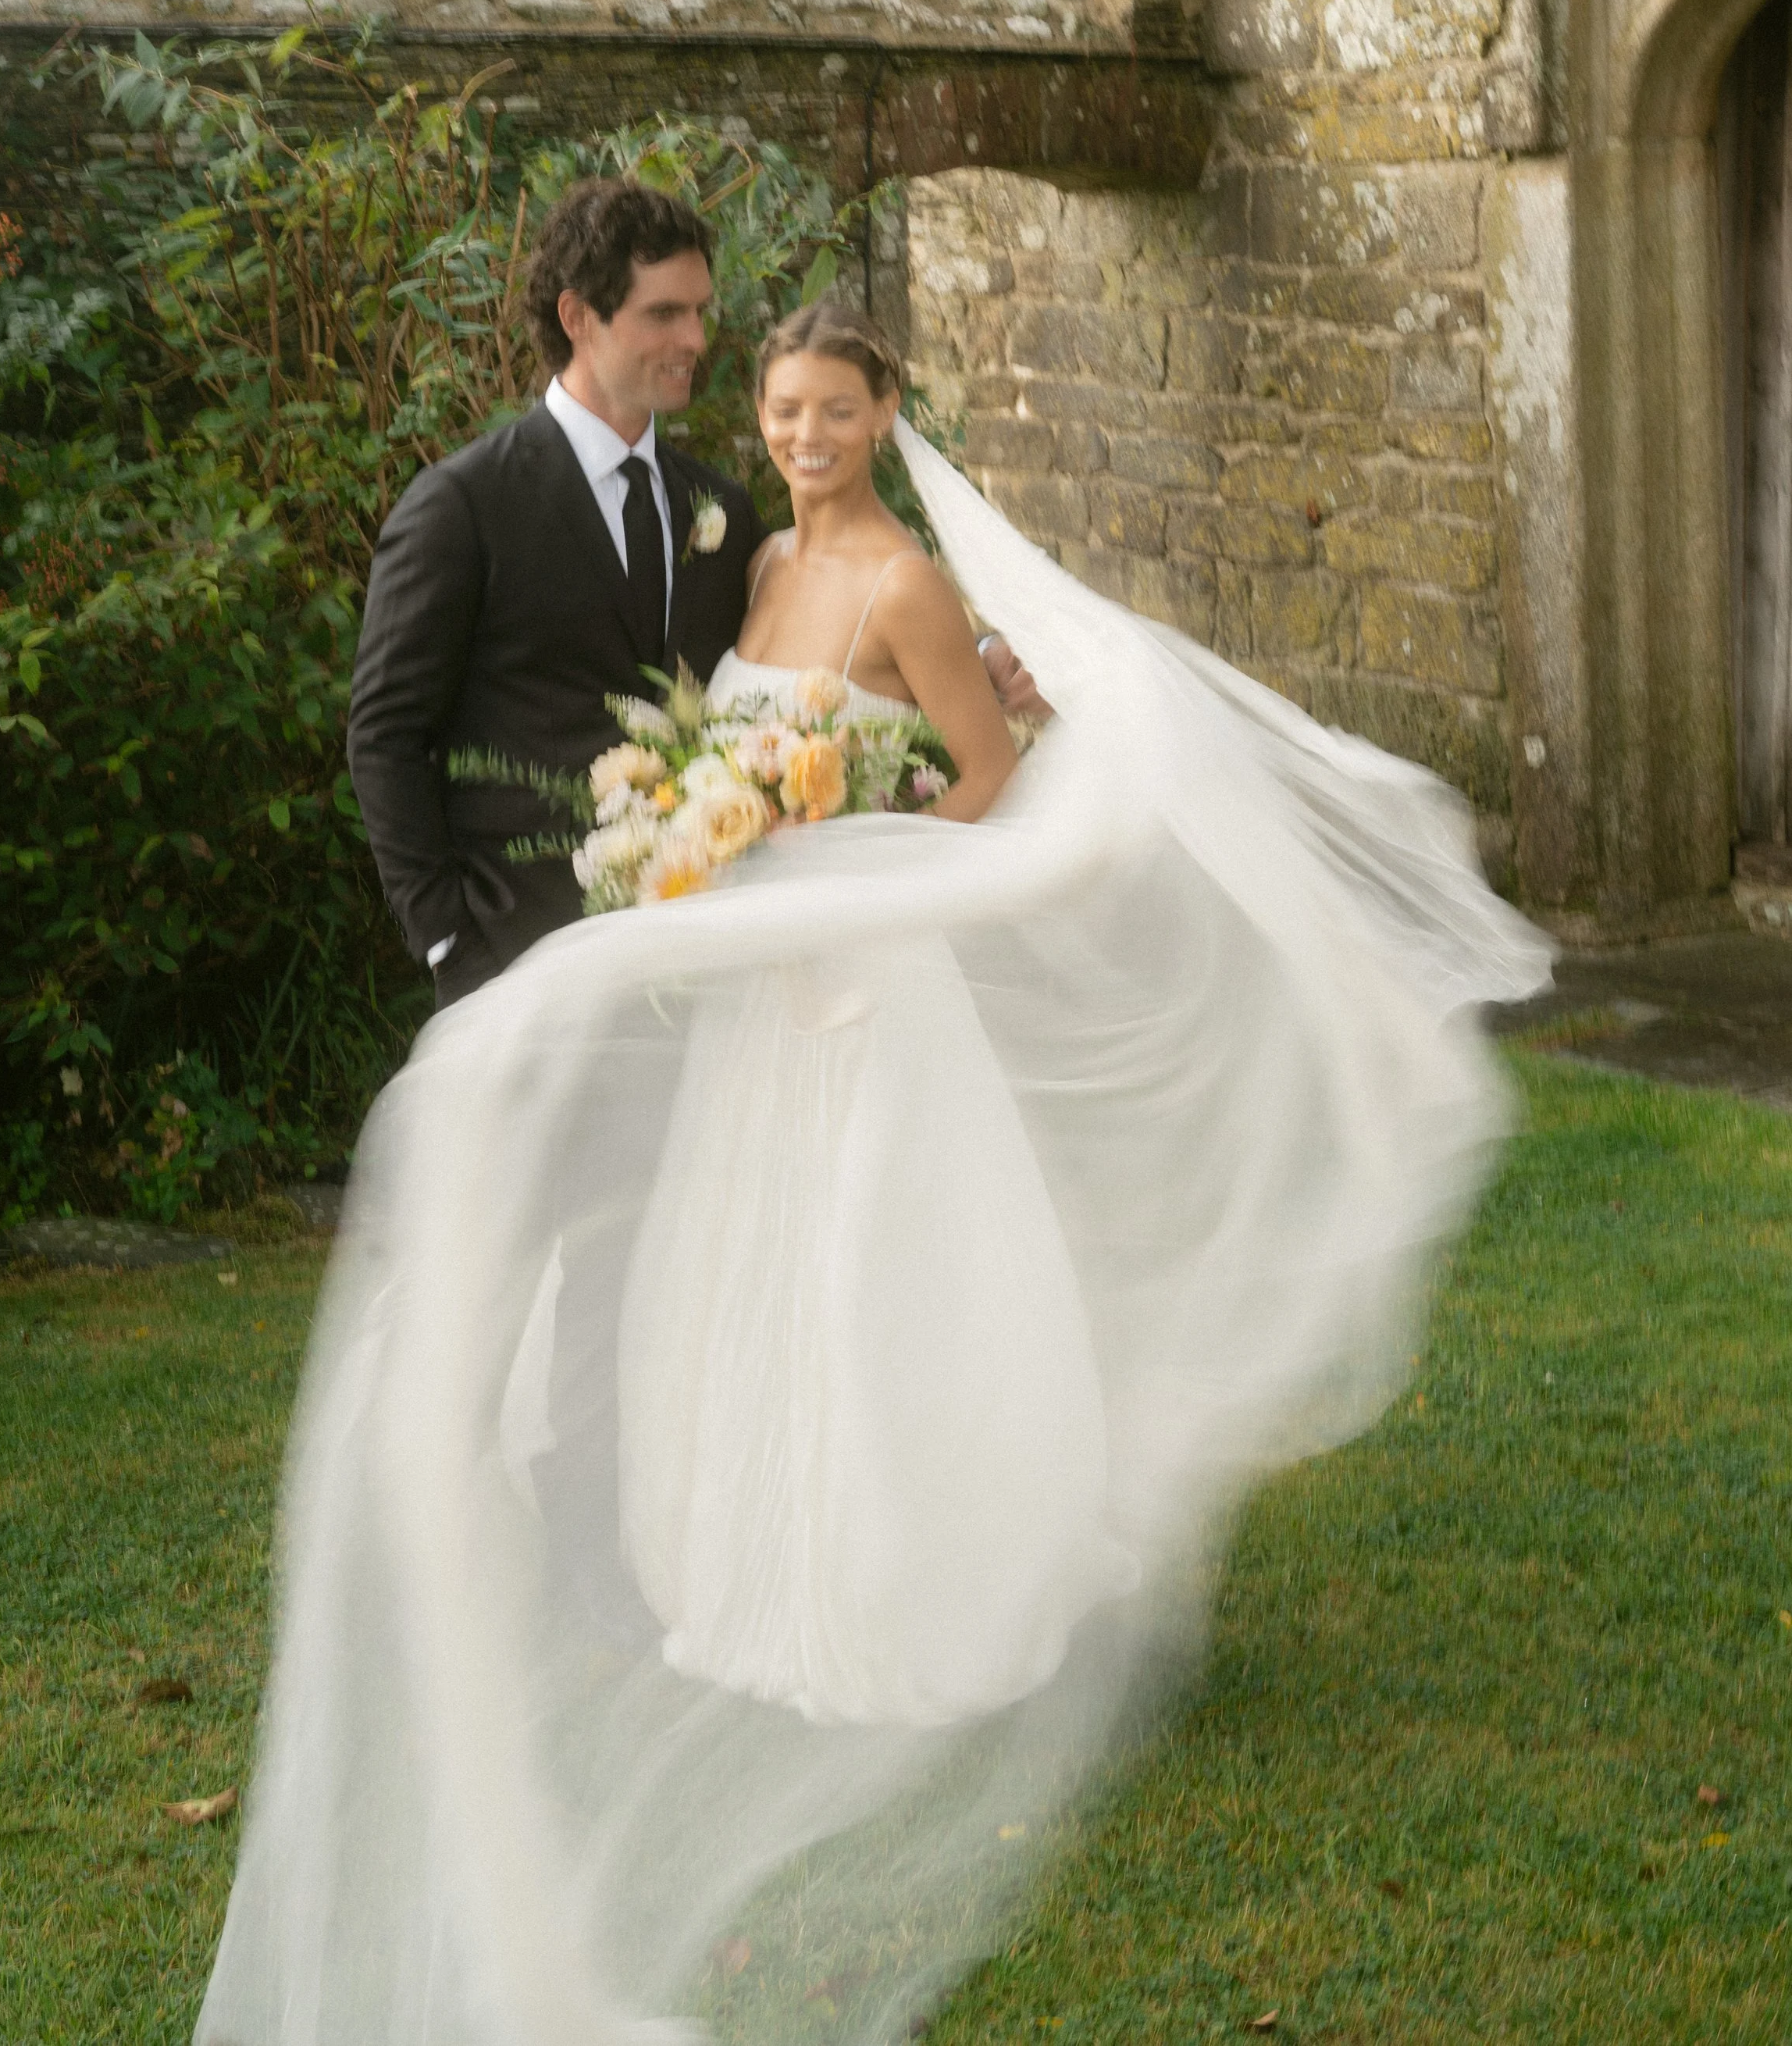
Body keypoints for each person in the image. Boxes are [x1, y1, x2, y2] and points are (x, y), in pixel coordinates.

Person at [198, 292, 1551, 2046]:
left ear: (884, 411)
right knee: (738, 1269)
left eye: (833, 408)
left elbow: (984, 780)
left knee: (865, 1270)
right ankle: (733, 1576)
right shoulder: (748, 564)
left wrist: (839, 848)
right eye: (780, 406)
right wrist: (720, 816)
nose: (802, 434)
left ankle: (909, 1585)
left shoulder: (909, 580)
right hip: (761, 1002)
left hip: (865, 995)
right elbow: (723, 741)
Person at [344, 180, 1037, 1007]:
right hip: (519, 954)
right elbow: (383, 735)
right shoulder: (464, 507)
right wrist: (449, 944)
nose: (695, 339)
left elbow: (810, 645)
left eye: (700, 312)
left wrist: (976, 654)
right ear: (577, 319)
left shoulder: (718, 510)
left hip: (708, 952)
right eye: (664, 314)